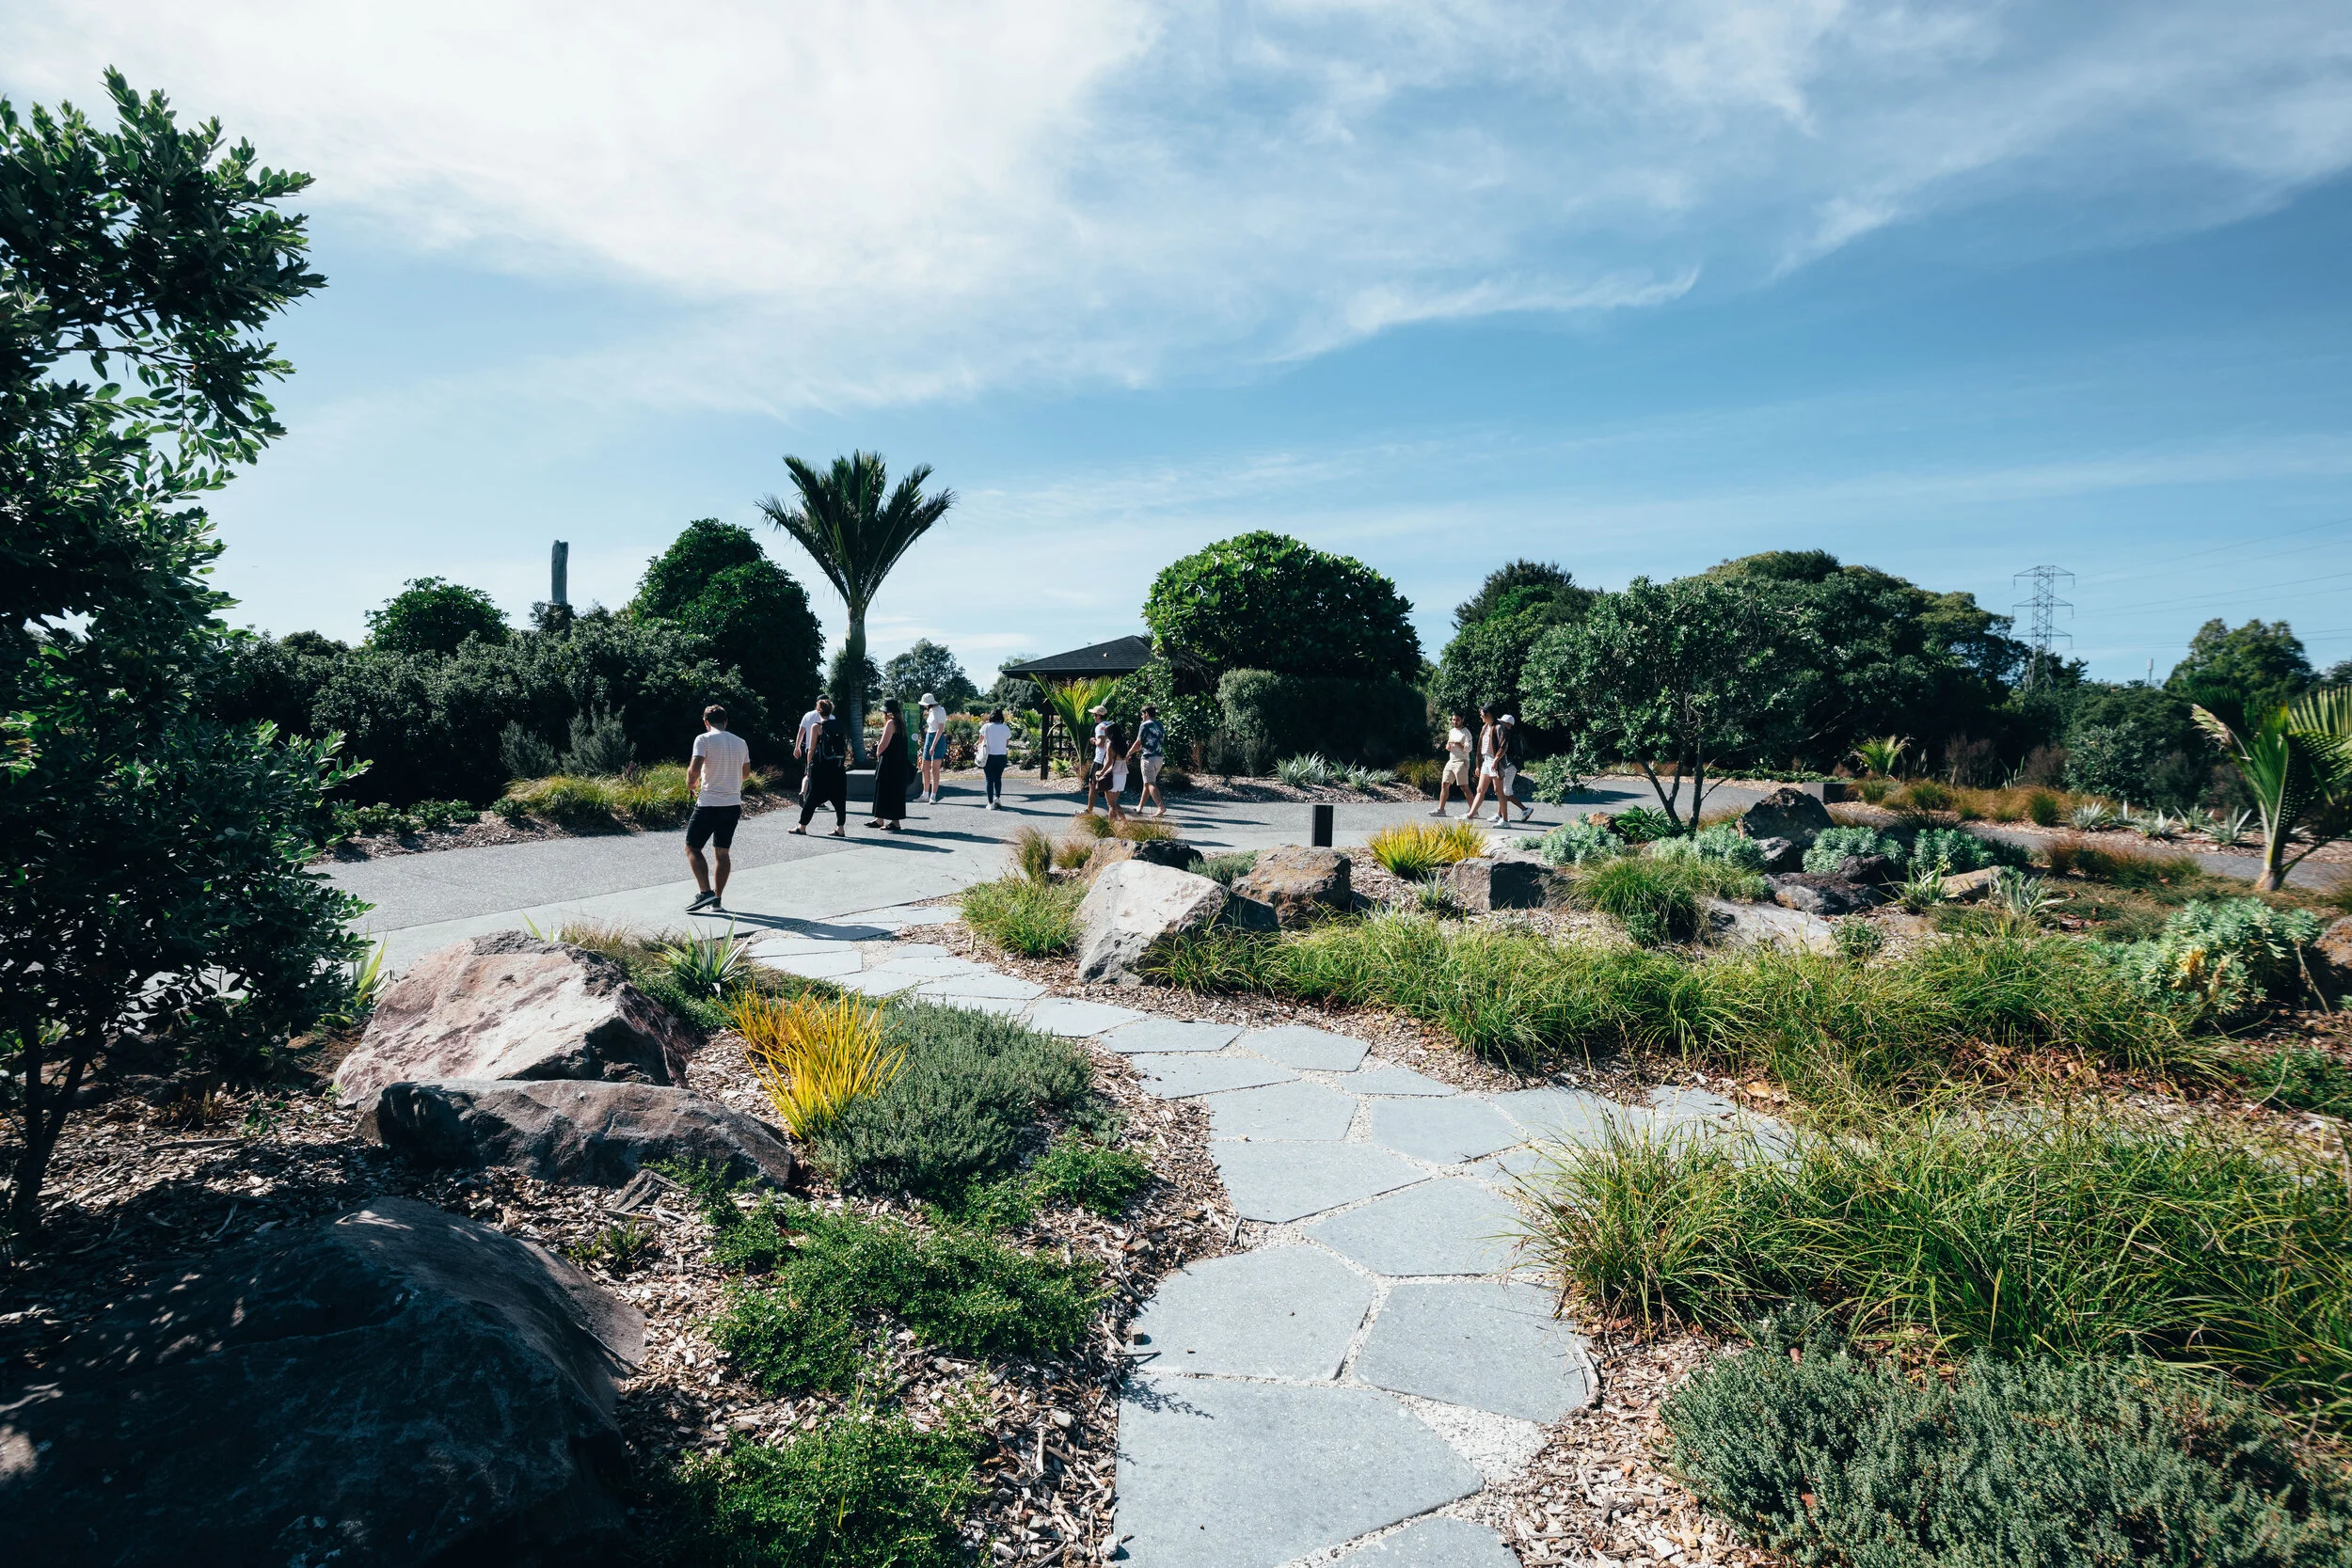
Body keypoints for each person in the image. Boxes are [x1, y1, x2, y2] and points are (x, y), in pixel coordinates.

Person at [684, 705, 750, 910]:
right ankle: (717, 900)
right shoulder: (741, 742)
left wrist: (690, 784)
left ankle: (705, 893)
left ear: (706, 722)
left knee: (692, 847)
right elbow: (746, 773)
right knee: (722, 852)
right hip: (732, 804)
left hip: (710, 803)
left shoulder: (703, 739)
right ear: (726, 721)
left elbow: (694, 770)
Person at [789, 697, 848, 837]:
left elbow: (811, 749)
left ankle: (802, 826)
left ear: (819, 710)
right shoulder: (839, 724)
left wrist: (809, 765)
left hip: (821, 767)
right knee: (839, 798)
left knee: (813, 796)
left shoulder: (817, 726)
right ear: (831, 710)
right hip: (838, 766)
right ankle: (840, 828)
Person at [869, 698, 914, 832]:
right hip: (899, 763)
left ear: (888, 712)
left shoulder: (890, 723)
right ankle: (884, 819)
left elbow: (883, 744)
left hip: (888, 762)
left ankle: (888, 821)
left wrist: (877, 754)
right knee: (895, 792)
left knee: (883, 789)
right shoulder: (901, 724)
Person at [1466, 705, 1509, 826]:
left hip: (1496, 762)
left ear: (1488, 714)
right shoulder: (1485, 727)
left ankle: (1505, 820)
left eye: (1482, 713)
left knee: (1499, 791)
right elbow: (1481, 748)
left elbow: (1504, 746)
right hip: (1486, 761)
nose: (1480, 715)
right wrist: (1478, 765)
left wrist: (1496, 760)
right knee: (1480, 790)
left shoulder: (1499, 727)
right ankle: (1470, 816)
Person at [1432, 709, 1473, 816]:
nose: (1455, 722)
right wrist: (1448, 746)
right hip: (1451, 760)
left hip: (1461, 761)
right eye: (1453, 720)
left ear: (1462, 719)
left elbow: (1469, 748)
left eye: (1457, 720)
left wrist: (1460, 744)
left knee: (1464, 787)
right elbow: (1449, 744)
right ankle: (1441, 810)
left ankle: (1474, 810)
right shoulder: (1452, 731)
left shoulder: (1466, 732)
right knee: (1445, 784)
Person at [1498, 714, 1534, 822]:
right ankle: (1499, 814)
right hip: (1508, 765)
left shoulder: (1509, 735)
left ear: (1508, 724)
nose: (1500, 724)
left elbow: (1513, 753)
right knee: (1502, 791)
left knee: (1506, 792)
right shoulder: (1509, 734)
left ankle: (1525, 809)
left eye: (1502, 722)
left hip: (1510, 765)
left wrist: (1509, 763)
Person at [1135, 703, 1168, 817]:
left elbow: (1138, 742)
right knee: (1147, 783)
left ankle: (1160, 807)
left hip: (1148, 758)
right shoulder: (1160, 725)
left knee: (1150, 783)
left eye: (1142, 714)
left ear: (1147, 714)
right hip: (1159, 757)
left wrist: (1129, 753)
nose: (1141, 716)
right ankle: (1140, 807)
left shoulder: (1144, 725)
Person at [978, 706, 1013, 808]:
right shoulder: (1005, 728)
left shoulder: (986, 727)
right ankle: (997, 797)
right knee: (998, 778)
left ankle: (990, 803)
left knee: (989, 780)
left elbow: (981, 741)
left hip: (988, 756)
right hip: (1001, 756)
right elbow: (1006, 742)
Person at [917, 691, 948, 803]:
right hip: (929, 737)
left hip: (938, 739)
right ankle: (925, 794)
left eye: (925, 704)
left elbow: (940, 729)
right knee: (924, 767)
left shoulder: (941, 711)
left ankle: (933, 796)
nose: (924, 706)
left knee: (935, 769)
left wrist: (933, 745)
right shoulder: (931, 710)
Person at [792, 696, 824, 806]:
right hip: (824, 751)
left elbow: (801, 732)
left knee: (809, 774)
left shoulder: (808, 715)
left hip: (809, 749)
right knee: (822, 775)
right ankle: (819, 799)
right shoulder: (830, 717)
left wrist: (797, 747)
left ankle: (803, 792)